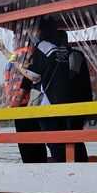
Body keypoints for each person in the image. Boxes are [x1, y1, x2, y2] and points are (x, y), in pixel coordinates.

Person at [14, 15, 71, 163]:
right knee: (63, 140)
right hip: (64, 99)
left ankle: (59, 170)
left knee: (52, 142)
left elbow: (33, 76)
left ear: (41, 30)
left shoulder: (44, 46)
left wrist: (18, 65)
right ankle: (66, 168)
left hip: (48, 100)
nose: (32, 33)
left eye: (34, 29)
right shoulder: (62, 48)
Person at [0, 32, 48, 163]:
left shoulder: (26, 53)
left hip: (25, 102)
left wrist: (18, 100)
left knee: (29, 141)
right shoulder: (20, 53)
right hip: (18, 102)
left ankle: (33, 167)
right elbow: (13, 60)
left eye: (15, 38)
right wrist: (3, 49)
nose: (13, 40)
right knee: (27, 141)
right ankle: (33, 165)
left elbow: (26, 78)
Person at [61, 29, 93, 162]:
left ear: (63, 40)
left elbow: (70, 75)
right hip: (69, 101)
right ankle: (73, 159)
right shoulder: (65, 55)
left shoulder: (74, 54)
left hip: (77, 100)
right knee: (68, 132)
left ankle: (80, 161)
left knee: (74, 132)